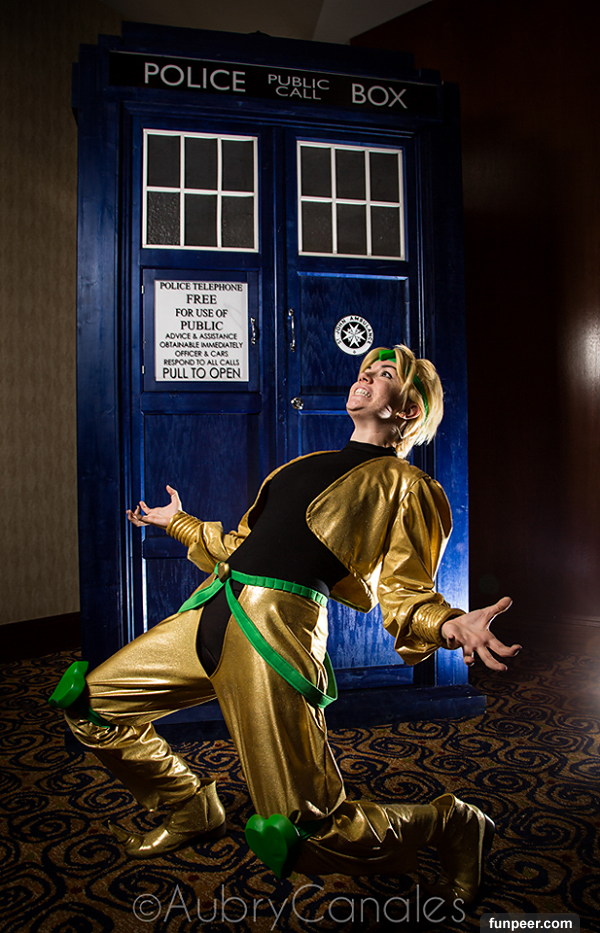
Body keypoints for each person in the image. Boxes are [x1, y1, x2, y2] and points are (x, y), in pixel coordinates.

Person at [60, 345, 519, 902]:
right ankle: (189, 807)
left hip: (276, 635)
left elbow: (407, 590)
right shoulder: (298, 468)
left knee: (303, 833)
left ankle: (452, 822)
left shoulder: (407, 485)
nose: (365, 379)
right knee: (89, 704)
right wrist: (178, 523)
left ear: (409, 411)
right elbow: (242, 546)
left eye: (384, 375)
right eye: (364, 371)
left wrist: (449, 623)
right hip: (211, 611)